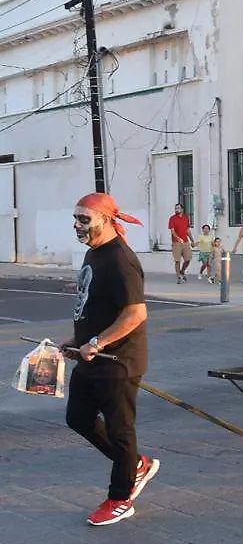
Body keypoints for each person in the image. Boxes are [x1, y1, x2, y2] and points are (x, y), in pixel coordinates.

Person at [61, 193, 159, 526]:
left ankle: (121, 497)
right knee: (78, 418)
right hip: (92, 356)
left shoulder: (121, 259)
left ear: (105, 219)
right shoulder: (95, 253)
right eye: (75, 219)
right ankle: (135, 465)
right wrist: (77, 341)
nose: (77, 225)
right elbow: (97, 306)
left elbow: (135, 313)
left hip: (119, 360)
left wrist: (97, 341)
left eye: (84, 219)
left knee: (121, 431)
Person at [168, 203, 192, 284]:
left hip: (185, 241)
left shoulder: (186, 218)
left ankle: (182, 271)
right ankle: (178, 277)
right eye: (175, 208)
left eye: (178, 208)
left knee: (188, 259)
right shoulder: (172, 218)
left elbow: (188, 230)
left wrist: (192, 240)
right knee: (177, 260)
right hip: (176, 243)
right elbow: (172, 230)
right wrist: (178, 238)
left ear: (182, 209)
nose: (176, 210)